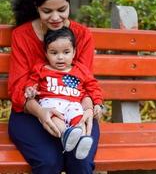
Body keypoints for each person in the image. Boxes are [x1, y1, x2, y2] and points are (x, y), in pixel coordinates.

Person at [8, 0, 102, 173]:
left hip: (75, 110)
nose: (56, 17)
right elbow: (17, 90)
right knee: (49, 162)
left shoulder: (82, 36)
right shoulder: (22, 36)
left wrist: (88, 110)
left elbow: (85, 82)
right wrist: (42, 113)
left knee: (80, 161)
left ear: (69, 4)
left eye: (62, 10)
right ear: (36, 7)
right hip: (31, 113)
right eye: (47, 11)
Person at [24, 26, 103, 160]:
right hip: (52, 104)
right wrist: (30, 91)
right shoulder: (41, 69)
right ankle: (66, 135)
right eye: (54, 53)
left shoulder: (80, 70)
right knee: (56, 119)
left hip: (74, 104)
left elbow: (93, 87)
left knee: (79, 120)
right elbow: (31, 84)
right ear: (46, 53)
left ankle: (82, 142)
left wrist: (97, 103)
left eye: (66, 52)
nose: (60, 57)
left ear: (74, 52)